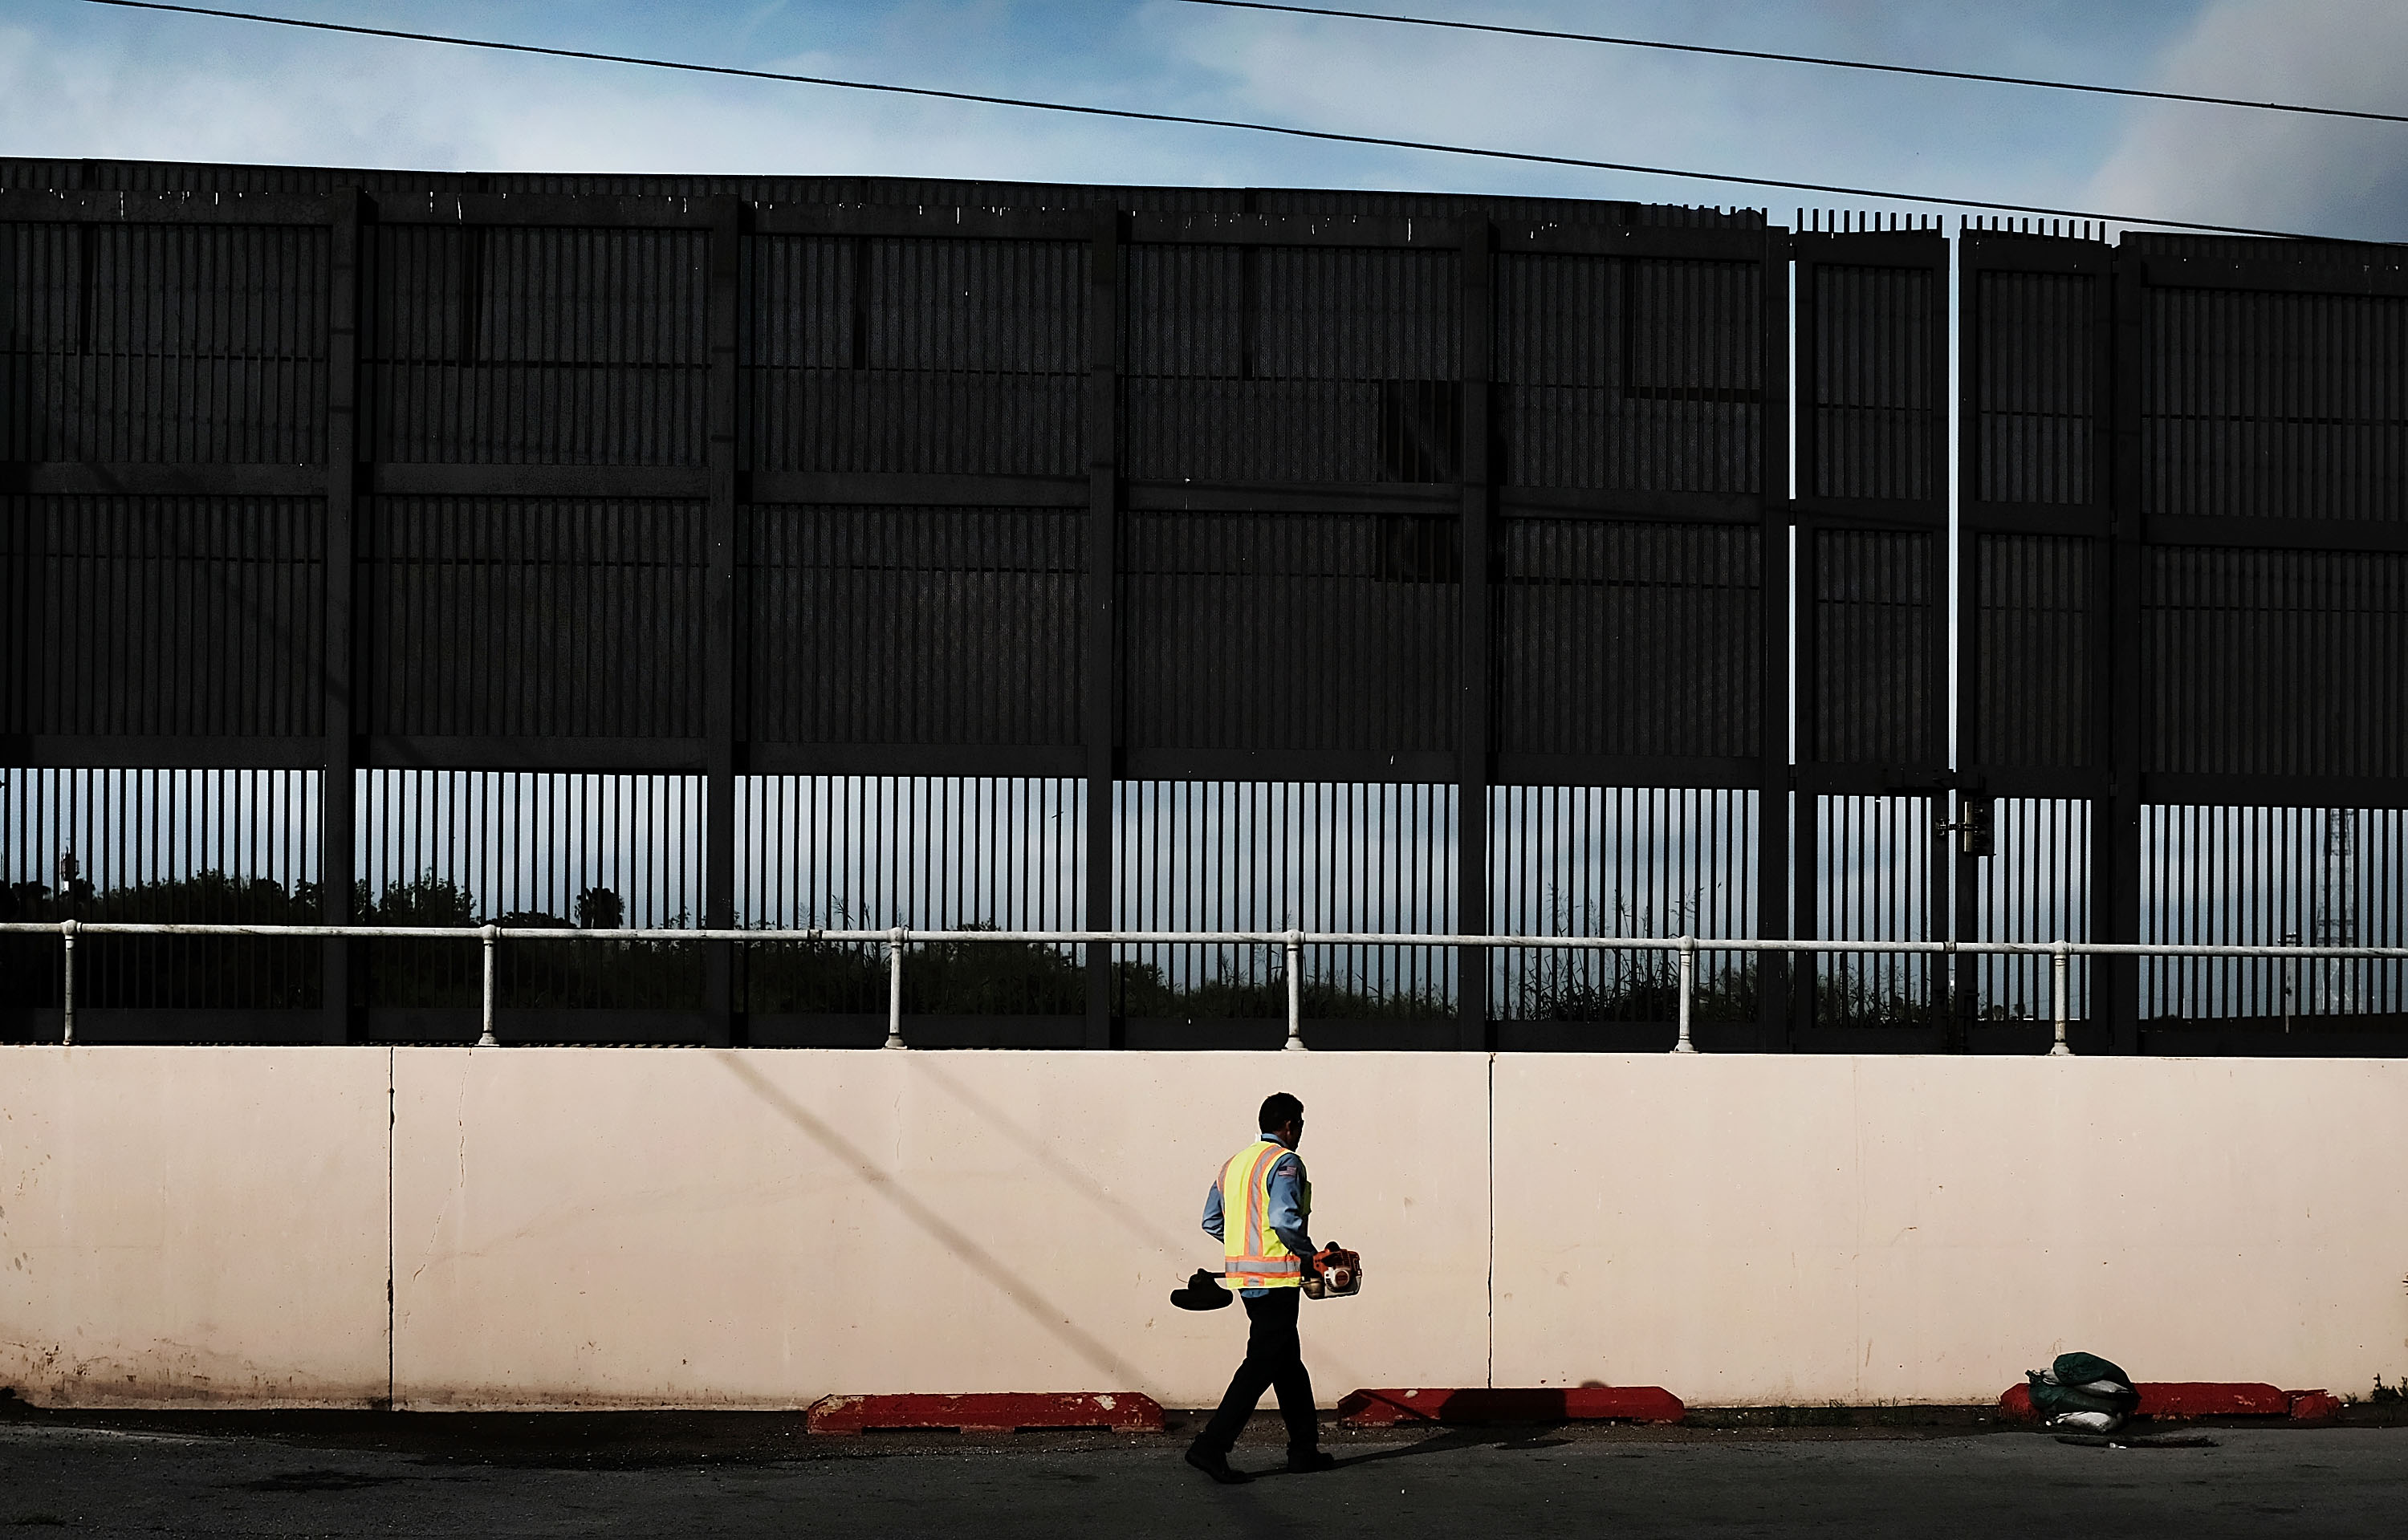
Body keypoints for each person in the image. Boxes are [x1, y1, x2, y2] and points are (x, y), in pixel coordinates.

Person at [1186, 1091, 1336, 1484]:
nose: (1300, 1133)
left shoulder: (1233, 1165)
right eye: (1300, 1125)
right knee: (1262, 1365)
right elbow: (1285, 1220)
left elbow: (1211, 1222)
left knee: (1288, 1365)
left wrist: (1246, 1250)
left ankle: (1304, 1450)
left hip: (1248, 1281)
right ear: (1289, 1126)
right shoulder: (1285, 1162)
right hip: (1277, 1281)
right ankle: (1211, 1446)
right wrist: (1310, 1256)